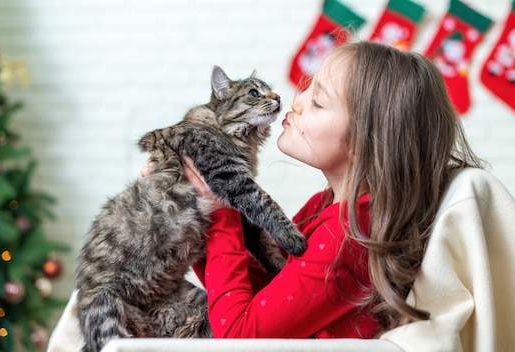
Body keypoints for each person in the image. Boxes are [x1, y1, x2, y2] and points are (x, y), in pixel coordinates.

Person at [167, 40, 483, 338]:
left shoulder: (349, 233)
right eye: (306, 89)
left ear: (367, 140)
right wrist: (197, 213)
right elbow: (270, 299)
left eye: (317, 101)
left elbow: (240, 334)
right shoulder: (327, 206)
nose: (295, 102)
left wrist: (221, 207)